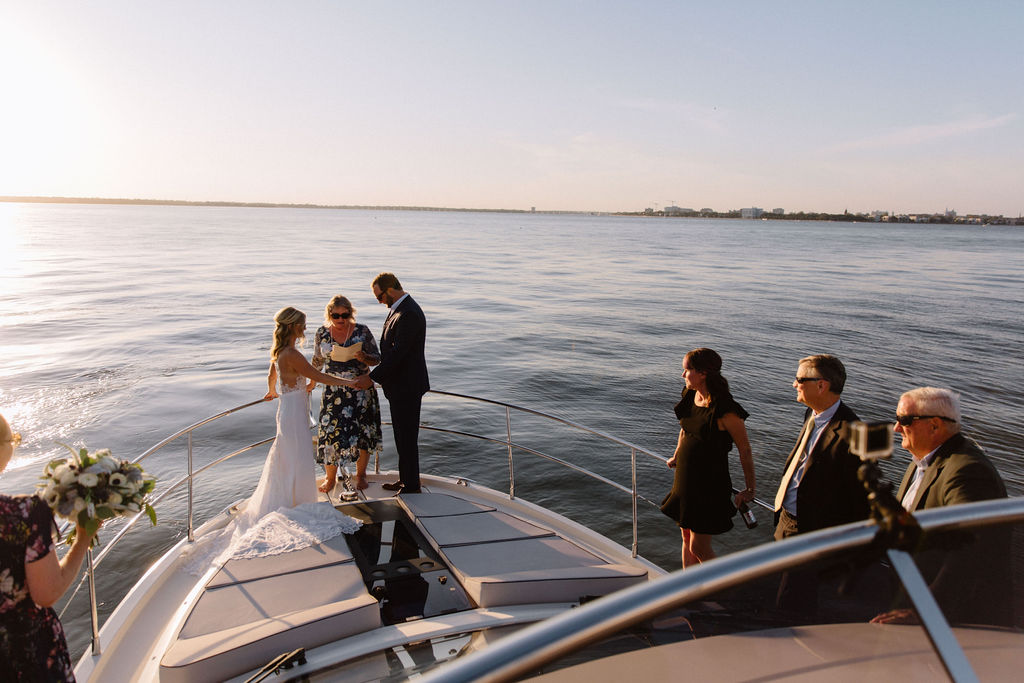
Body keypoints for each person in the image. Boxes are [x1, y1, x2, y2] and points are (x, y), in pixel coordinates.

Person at [872, 387, 1009, 626]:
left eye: (904, 420)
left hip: (951, 619)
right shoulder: (923, 460)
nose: (896, 428)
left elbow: (971, 549)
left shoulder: (968, 471)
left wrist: (925, 611)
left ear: (935, 425)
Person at [1, 413, 100, 682]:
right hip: (24, 657)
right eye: (12, 439)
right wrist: (82, 538)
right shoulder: (24, 513)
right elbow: (47, 593)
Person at [249, 306, 357, 518]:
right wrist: (350, 383)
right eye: (303, 325)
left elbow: (272, 375)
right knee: (298, 454)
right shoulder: (292, 354)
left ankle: (288, 497)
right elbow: (318, 375)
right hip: (295, 411)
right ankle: (297, 502)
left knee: (288, 453)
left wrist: (272, 391)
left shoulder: (279, 352)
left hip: (287, 408)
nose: (305, 328)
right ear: (293, 326)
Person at [660, 348, 756, 568]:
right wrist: (676, 455)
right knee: (685, 536)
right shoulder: (691, 395)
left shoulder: (725, 410)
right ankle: (689, 588)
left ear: (702, 373)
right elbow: (685, 429)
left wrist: (750, 489)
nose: (683, 375)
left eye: (687, 370)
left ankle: (719, 592)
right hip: (685, 478)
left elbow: (745, 450)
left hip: (709, 484)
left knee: (699, 548)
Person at [772, 354, 868, 539]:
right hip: (786, 521)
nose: (794, 384)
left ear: (821, 385)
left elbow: (860, 498)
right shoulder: (812, 413)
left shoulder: (855, 433)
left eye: (800, 380)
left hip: (814, 531)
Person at [354, 273, 429, 494]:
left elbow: (399, 354)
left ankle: (411, 486)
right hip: (399, 386)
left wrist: (372, 377)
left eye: (379, 296)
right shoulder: (399, 310)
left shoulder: (409, 313)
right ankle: (407, 480)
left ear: (390, 289)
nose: (378, 301)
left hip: (407, 386)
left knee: (406, 437)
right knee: (401, 437)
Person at [310, 295, 383, 493]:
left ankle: (361, 475)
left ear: (351, 313)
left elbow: (377, 359)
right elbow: (317, 361)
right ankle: (330, 477)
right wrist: (309, 381)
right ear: (329, 314)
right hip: (333, 392)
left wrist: (364, 356)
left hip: (360, 390)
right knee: (329, 434)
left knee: (362, 433)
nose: (341, 319)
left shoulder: (362, 330)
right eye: (336, 315)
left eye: (345, 314)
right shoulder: (322, 333)